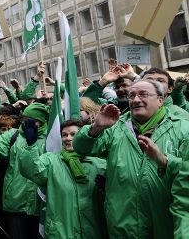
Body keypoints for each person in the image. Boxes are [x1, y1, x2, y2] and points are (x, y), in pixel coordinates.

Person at [73, 79, 189, 238]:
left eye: (143, 94)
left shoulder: (183, 128)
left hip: (167, 225)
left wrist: (165, 161)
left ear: (160, 100)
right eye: (132, 95)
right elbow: (81, 148)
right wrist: (96, 128)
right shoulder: (115, 126)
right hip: (123, 225)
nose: (135, 100)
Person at [18, 119, 107, 238]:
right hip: (61, 232)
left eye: (74, 134)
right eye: (64, 135)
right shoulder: (51, 161)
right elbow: (31, 170)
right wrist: (30, 146)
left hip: (94, 232)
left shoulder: (100, 164)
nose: (68, 138)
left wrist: (108, 188)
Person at [0, 102, 50, 239]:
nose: (26, 123)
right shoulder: (13, 135)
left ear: (41, 121)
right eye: (24, 120)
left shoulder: (51, 138)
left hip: (40, 203)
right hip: (16, 200)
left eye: (32, 121)